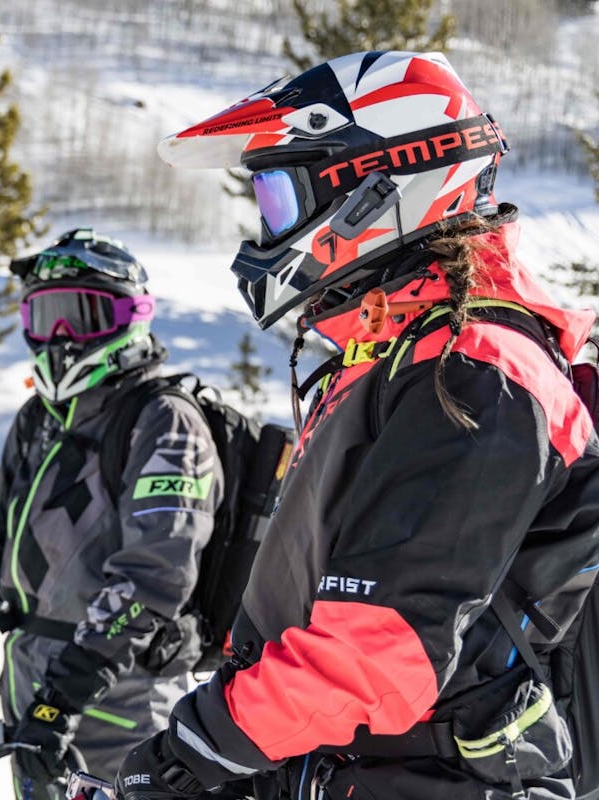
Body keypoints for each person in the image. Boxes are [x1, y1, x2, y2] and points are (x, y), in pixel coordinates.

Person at [116, 51, 599, 800]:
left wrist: (202, 745)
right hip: (354, 769)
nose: (266, 228)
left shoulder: (479, 371)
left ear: (380, 187)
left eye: (279, 197)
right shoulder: (401, 353)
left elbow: (380, 651)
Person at [0, 228, 221, 800]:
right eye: (44, 316)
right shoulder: (39, 420)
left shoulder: (164, 421)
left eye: (81, 315)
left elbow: (155, 577)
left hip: (122, 695)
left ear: (130, 317)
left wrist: (63, 698)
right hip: (33, 681)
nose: (60, 337)